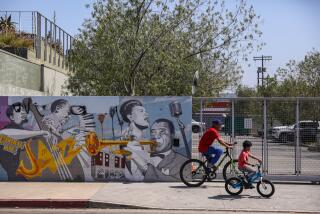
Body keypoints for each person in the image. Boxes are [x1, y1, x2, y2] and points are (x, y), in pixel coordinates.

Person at [119, 99, 150, 181]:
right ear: (130, 117)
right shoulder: (130, 147)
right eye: (141, 111)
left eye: (145, 111)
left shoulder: (141, 144)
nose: (147, 114)